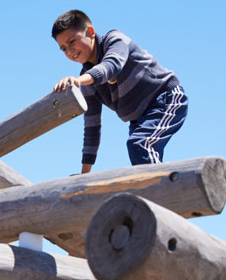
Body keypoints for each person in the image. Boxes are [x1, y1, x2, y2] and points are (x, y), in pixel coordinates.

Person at [51, 9, 187, 171]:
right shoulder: (88, 81)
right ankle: (159, 189)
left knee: (140, 144)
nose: (69, 51)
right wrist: (84, 176)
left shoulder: (115, 40)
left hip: (165, 99)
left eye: (72, 41)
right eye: (63, 48)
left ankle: (162, 193)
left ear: (90, 32)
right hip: (138, 119)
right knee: (141, 155)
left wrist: (77, 82)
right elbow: (91, 128)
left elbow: (111, 66)